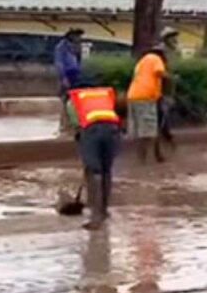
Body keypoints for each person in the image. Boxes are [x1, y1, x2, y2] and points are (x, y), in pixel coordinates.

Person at [65, 83, 122, 230]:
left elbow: (77, 125)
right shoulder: (103, 95)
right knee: (106, 170)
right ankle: (104, 211)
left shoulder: (73, 99)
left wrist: (82, 143)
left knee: (93, 172)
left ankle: (95, 217)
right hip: (113, 130)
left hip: (92, 131)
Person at [126, 43, 169, 163]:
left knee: (140, 128)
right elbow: (159, 72)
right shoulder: (156, 59)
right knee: (149, 129)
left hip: (133, 95)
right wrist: (171, 77)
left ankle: (144, 156)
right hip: (145, 97)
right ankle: (146, 157)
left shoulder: (142, 61)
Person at [55, 28, 84, 131]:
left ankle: (73, 122)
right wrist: (63, 78)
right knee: (65, 99)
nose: (79, 38)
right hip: (66, 75)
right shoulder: (61, 47)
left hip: (76, 75)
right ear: (71, 36)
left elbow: (79, 61)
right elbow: (59, 63)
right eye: (77, 36)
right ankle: (64, 124)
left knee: (75, 99)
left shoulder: (77, 47)